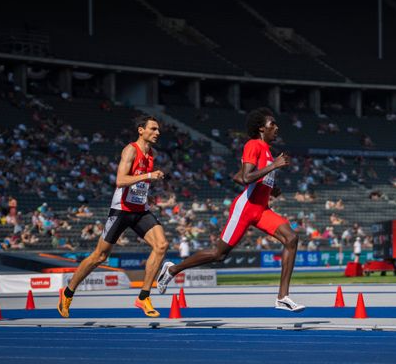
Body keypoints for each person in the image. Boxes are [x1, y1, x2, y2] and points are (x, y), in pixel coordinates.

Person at [156, 108, 305, 311]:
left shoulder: (267, 151)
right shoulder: (253, 144)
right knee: (219, 254)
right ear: (261, 128)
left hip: (261, 210)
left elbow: (237, 177)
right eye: (272, 124)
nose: (276, 128)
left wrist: (270, 187)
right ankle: (173, 269)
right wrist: (274, 167)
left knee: (291, 238)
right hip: (245, 208)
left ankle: (282, 297)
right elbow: (245, 178)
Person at [58, 116, 169, 318]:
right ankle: (68, 292)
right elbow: (120, 180)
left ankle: (144, 297)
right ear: (141, 130)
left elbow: (139, 184)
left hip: (140, 210)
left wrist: (147, 184)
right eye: (153, 129)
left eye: (158, 129)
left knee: (161, 245)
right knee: (100, 256)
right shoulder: (130, 150)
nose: (157, 132)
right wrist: (149, 176)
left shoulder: (151, 153)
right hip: (121, 210)